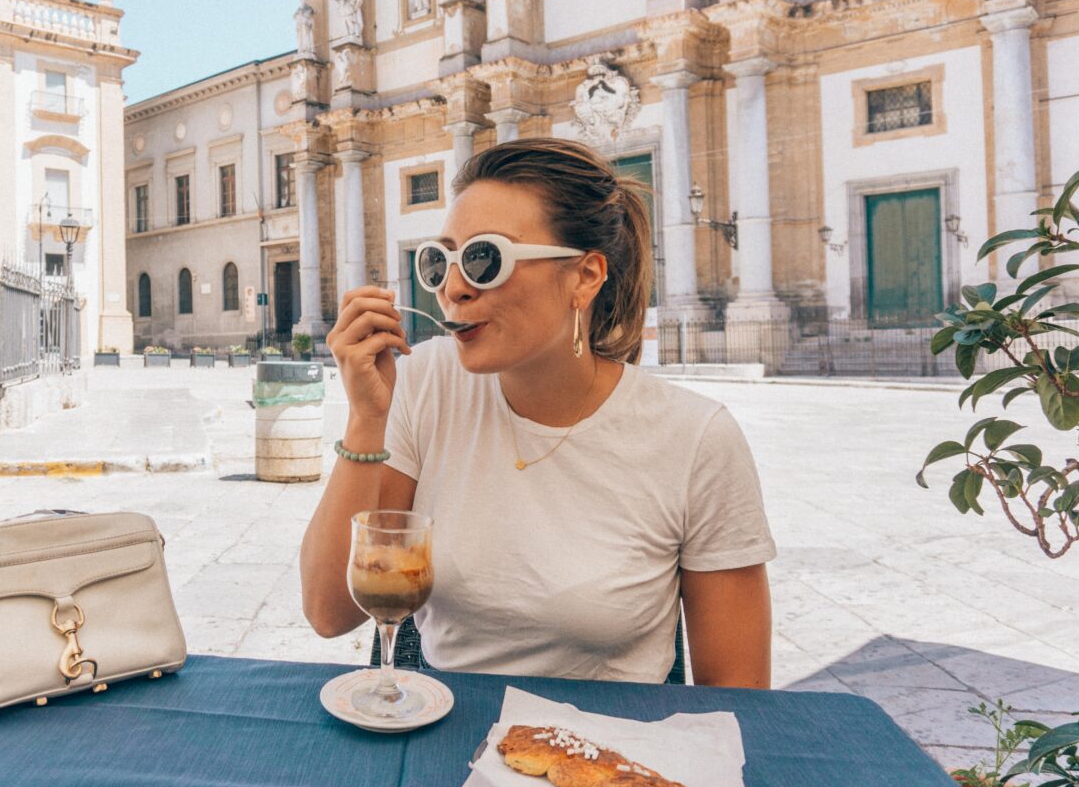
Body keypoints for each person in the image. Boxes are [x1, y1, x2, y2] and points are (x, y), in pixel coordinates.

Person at [299, 137, 776, 688]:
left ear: (585, 277)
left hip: (609, 752)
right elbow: (329, 610)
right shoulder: (423, 382)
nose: (452, 289)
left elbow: (737, 698)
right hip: (443, 731)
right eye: (441, 260)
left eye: (485, 259)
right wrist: (365, 418)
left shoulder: (695, 439)